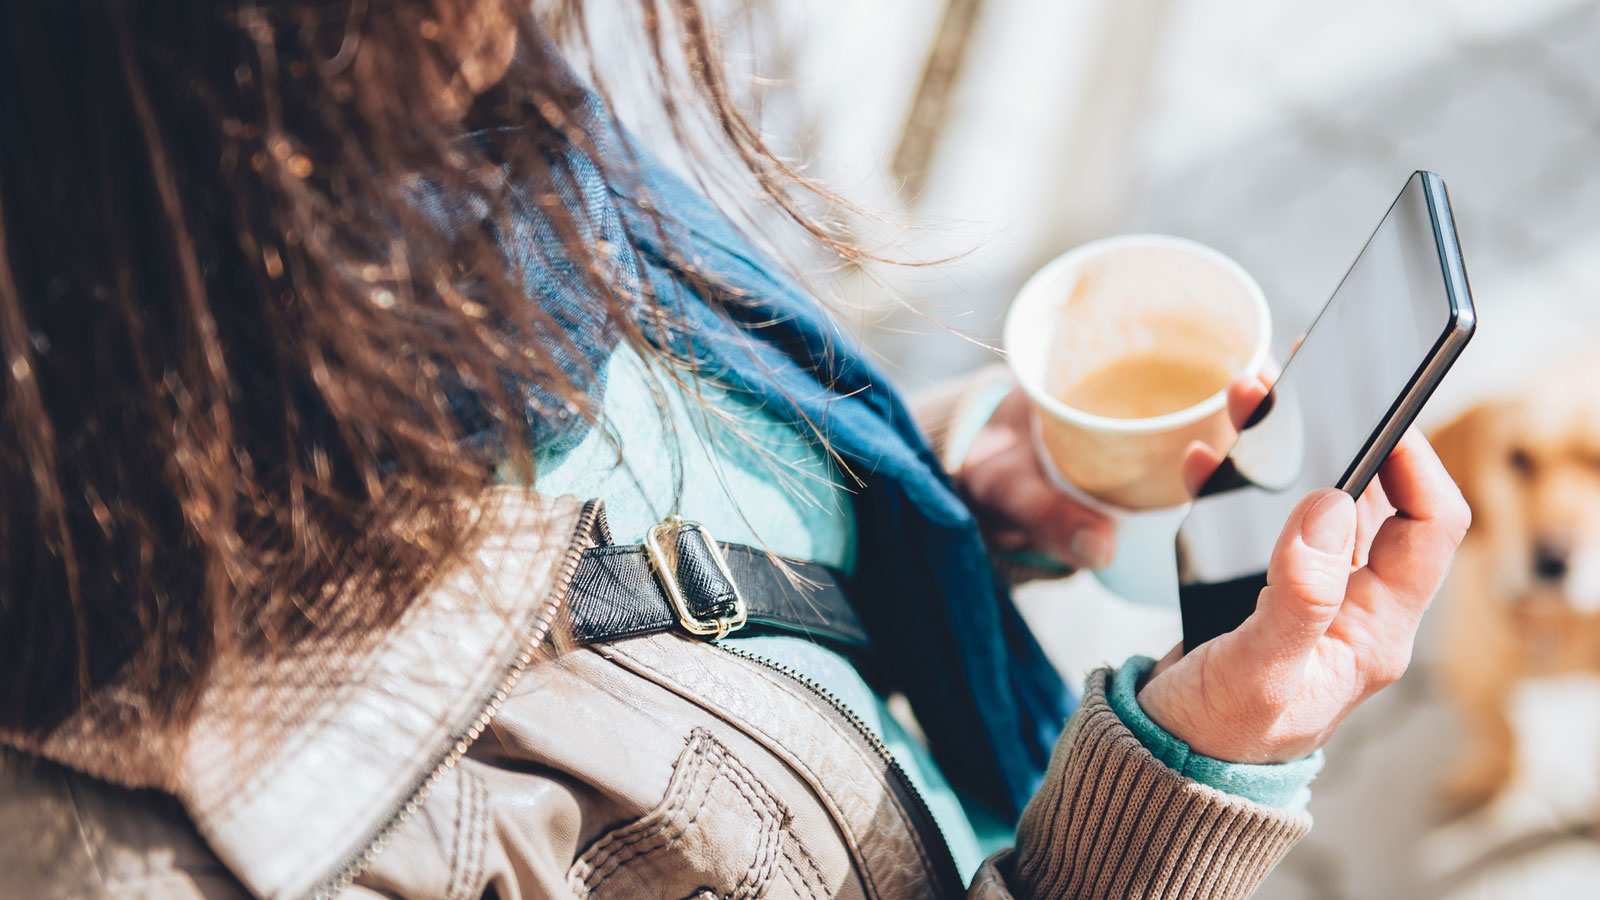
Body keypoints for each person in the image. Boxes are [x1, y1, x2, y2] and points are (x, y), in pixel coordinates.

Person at [0, 2, 1468, 899]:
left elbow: (647, 539)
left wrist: (934, 499)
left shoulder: (452, 184)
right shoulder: (209, 852)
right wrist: (1189, 778)